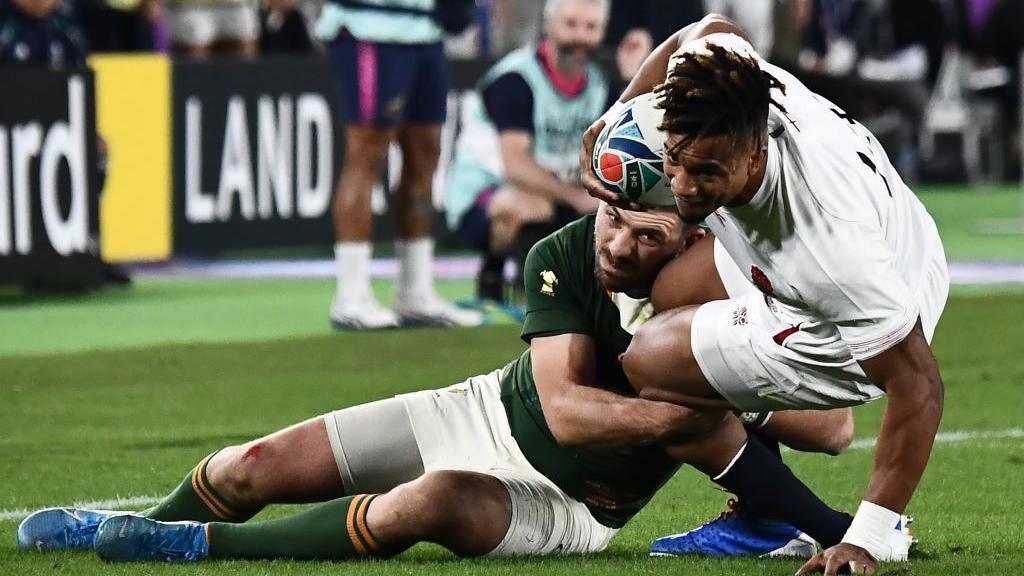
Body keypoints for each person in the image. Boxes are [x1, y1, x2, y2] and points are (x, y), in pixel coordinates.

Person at [19, 196, 892, 563]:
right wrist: (676, 417)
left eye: (649, 236)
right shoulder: (560, 253)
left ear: (695, 240)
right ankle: (133, 526)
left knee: (431, 503)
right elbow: (564, 409)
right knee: (248, 466)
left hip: (571, 507)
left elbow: (833, 430)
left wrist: (743, 400)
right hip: (482, 409)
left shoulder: (718, 321)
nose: (621, 246)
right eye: (613, 221)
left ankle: (195, 551)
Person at [579, 14, 948, 575]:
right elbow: (706, 28)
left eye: (705, 172)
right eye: (675, 160)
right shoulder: (721, 84)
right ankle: (764, 462)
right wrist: (615, 116)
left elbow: (918, 386)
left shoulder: (828, 246)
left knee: (651, 365)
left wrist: (866, 541)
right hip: (880, 230)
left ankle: (825, 493)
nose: (681, 186)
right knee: (669, 294)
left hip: (855, 319)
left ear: (756, 152)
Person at [317, 0, 481, 329]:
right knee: (367, 152)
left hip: (427, 31)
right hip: (370, 26)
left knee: (426, 153)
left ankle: (414, 291)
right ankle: (350, 296)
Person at [446, 0, 608, 304]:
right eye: (571, 24)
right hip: (486, 195)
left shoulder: (598, 83)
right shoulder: (515, 79)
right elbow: (515, 165)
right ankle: (504, 280)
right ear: (548, 26)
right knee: (531, 205)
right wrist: (576, 197)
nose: (581, 37)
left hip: (556, 191)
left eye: (591, 27)